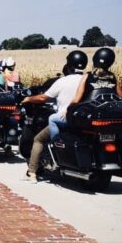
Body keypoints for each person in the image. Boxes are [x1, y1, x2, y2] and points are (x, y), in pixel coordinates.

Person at [19, 50, 89, 180]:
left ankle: (32, 172)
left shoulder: (63, 81)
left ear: (69, 65)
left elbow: (43, 98)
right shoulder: (88, 80)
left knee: (38, 139)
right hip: (82, 120)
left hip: (65, 119)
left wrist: (29, 99)